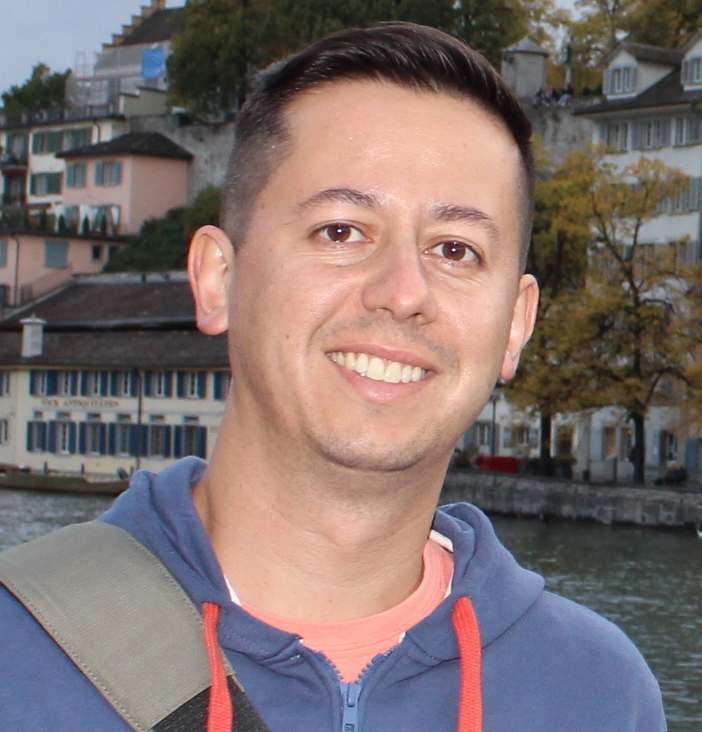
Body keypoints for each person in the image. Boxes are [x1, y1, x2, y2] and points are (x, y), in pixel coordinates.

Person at [0, 23, 666, 732]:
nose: (403, 292)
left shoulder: (601, 695)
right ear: (218, 279)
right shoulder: (18, 651)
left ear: (515, 325)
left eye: (455, 250)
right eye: (341, 231)